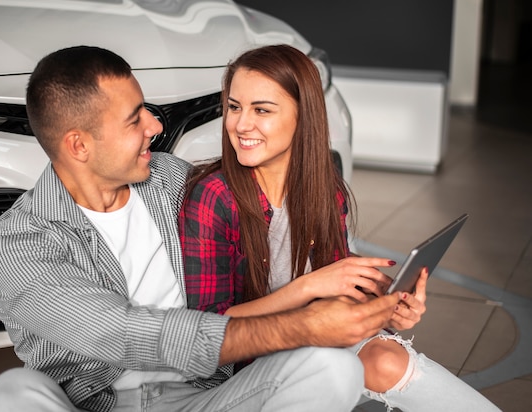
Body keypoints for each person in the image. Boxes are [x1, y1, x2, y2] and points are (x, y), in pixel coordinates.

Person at [0, 45, 405, 412]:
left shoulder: (173, 180)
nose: (156, 127)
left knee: (333, 368)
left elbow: (273, 241)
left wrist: (367, 299)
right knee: (11, 395)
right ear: (79, 145)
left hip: (206, 397)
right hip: (96, 402)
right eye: (134, 120)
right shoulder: (16, 244)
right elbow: (121, 334)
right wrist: (303, 324)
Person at [179, 44, 500, 412]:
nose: (241, 124)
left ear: (304, 116)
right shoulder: (214, 197)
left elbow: (334, 282)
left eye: (262, 110)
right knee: (359, 362)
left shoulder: (323, 188)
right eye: (234, 107)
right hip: (251, 362)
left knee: (387, 360)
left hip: (317, 334)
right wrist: (309, 286)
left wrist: (384, 306)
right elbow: (203, 330)